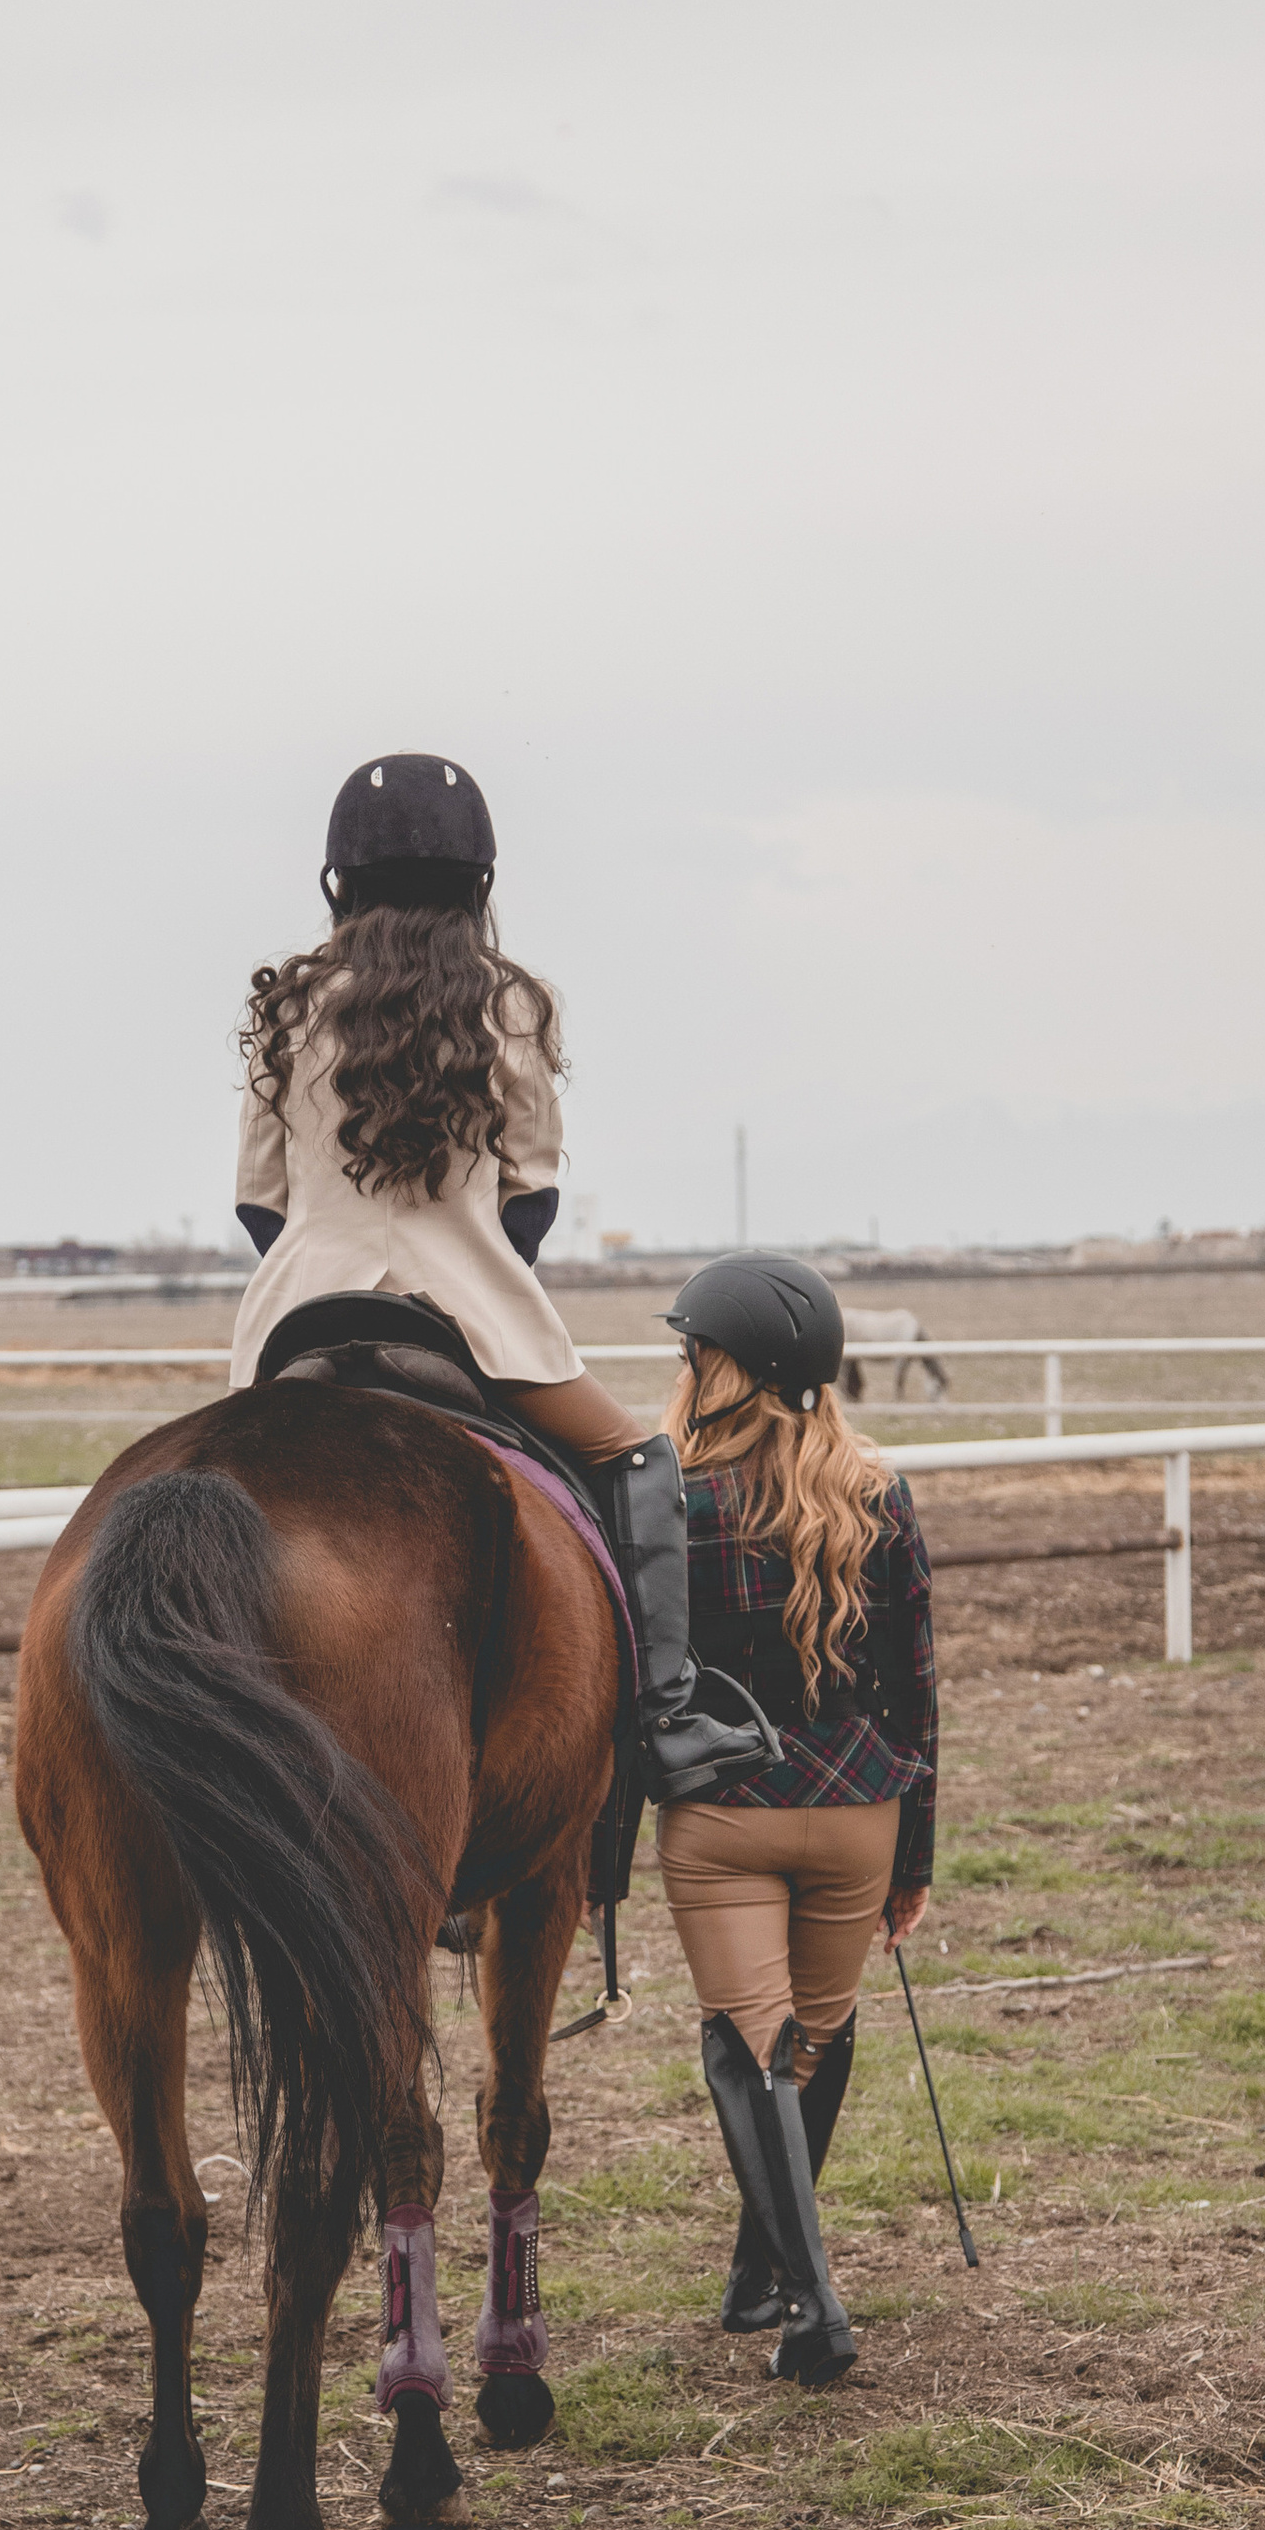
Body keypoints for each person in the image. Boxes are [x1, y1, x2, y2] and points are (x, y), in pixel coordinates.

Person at [230, 752, 771, 1804]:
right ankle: (666, 1711)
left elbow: (260, 1202)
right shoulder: (512, 1006)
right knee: (638, 1456)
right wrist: (465, 1277)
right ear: (478, 877)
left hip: (295, 1326)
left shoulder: (287, 1007)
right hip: (471, 1325)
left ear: (339, 876)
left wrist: (334, 1288)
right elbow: (531, 1197)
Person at [652, 1250, 937, 2391]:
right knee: (811, 2042)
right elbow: (915, 1692)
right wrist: (912, 1854)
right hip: (860, 1806)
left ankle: (814, 2307)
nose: (680, 1366)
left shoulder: (663, 1496)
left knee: (747, 2045)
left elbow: (635, 1683)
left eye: (691, 1351)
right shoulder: (876, 1490)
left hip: (724, 1816)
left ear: (725, 1370)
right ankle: (757, 2270)